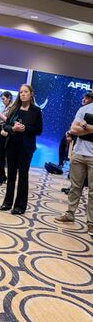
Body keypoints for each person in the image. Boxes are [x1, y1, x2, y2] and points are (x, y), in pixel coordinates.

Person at [0, 84, 43, 215]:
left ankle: (20, 206)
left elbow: (38, 130)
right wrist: (13, 128)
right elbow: (5, 125)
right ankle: (7, 202)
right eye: (21, 92)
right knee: (11, 175)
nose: (23, 94)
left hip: (26, 147)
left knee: (23, 176)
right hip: (12, 145)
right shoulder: (14, 108)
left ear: (31, 94)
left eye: (25, 92)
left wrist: (24, 128)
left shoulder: (36, 111)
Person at [55, 91, 93, 233]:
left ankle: (91, 222)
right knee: (75, 187)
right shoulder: (84, 109)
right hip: (78, 154)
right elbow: (73, 129)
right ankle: (70, 214)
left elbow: (79, 128)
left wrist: (85, 126)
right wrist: (88, 129)